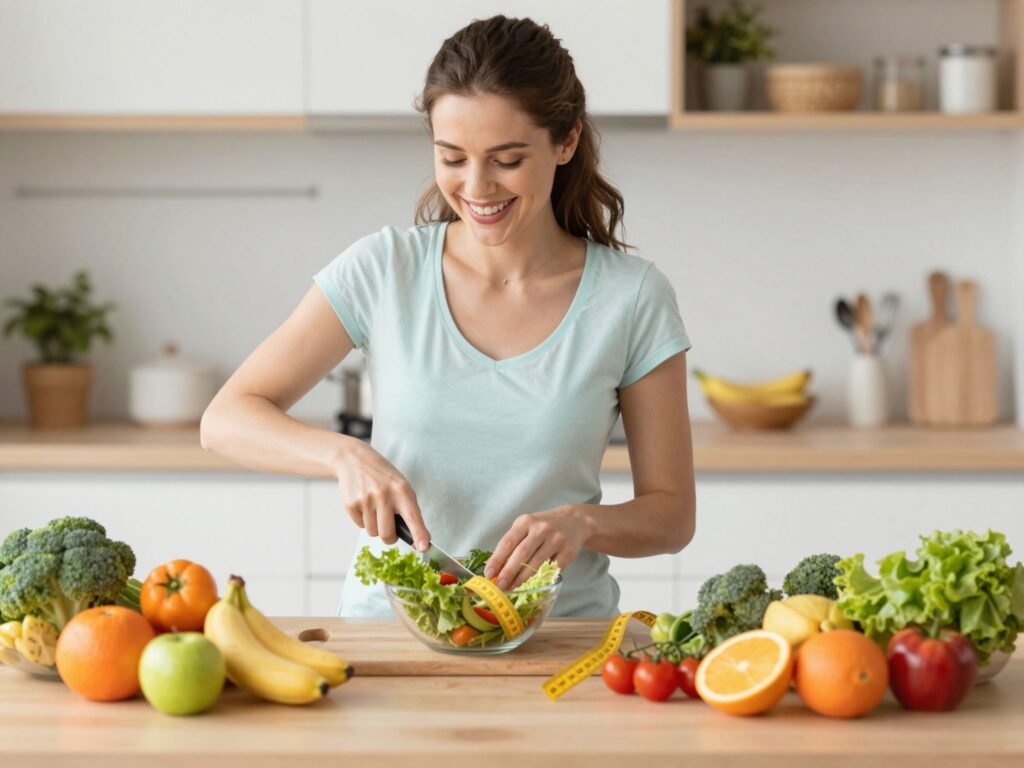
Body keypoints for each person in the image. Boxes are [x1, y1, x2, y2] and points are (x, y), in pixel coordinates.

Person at [200, 15, 695, 618]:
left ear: (566, 140)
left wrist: (583, 523)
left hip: (558, 641)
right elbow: (226, 418)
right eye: (452, 157)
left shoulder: (632, 298)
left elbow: (671, 515)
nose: (477, 186)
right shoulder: (384, 270)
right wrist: (343, 456)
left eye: (507, 159)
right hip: (392, 635)